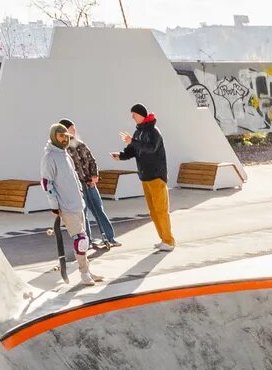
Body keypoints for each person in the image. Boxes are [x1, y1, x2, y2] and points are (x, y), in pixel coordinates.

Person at [41, 121, 97, 287]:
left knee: (84, 239)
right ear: (53, 136)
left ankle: (87, 269)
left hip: (77, 203)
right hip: (65, 205)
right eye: (61, 136)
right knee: (80, 239)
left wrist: (80, 194)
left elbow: (73, 179)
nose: (64, 139)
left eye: (66, 136)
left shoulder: (65, 155)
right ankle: (84, 273)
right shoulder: (49, 157)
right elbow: (47, 183)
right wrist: (54, 205)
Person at [115, 102, 177, 250]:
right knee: (153, 211)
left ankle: (169, 241)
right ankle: (163, 239)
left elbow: (151, 149)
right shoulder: (138, 132)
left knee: (161, 210)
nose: (132, 117)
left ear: (141, 115)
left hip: (156, 176)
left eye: (134, 114)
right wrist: (121, 156)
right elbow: (133, 150)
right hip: (144, 176)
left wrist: (133, 141)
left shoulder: (154, 132)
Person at [58, 118, 120, 250]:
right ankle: (88, 241)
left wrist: (95, 175)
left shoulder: (81, 145)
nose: (74, 131)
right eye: (71, 129)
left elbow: (92, 161)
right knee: (82, 213)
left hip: (90, 184)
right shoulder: (62, 149)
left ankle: (109, 237)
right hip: (78, 187)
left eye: (74, 129)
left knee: (98, 209)